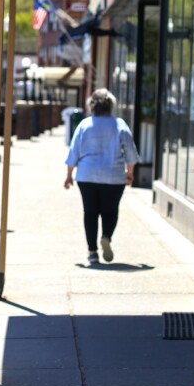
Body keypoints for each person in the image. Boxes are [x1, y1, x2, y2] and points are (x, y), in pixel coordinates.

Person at [64, 88, 140, 264]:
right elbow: (130, 153)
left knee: (90, 213)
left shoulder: (84, 125)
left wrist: (68, 175)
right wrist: (130, 174)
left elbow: (73, 152)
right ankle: (106, 236)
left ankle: (92, 252)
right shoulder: (119, 124)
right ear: (111, 106)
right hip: (113, 177)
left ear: (92, 106)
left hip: (87, 175)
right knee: (110, 211)